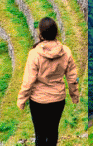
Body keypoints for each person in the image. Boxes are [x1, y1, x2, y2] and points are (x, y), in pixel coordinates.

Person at [18, 17, 78, 146]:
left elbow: (28, 80)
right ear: (56, 32)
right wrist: (74, 96)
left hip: (38, 101)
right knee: (52, 132)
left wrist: (21, 99)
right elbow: (72, 78)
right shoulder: (66, 52)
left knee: (40, 134)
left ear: (40, 34)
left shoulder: (34, 54)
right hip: (58, 99)